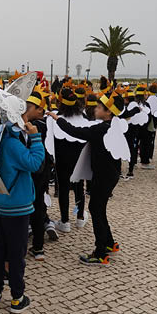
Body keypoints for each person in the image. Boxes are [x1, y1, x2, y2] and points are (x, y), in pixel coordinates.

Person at [0, 90, 44, 313]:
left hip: (1, 202)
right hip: (17, 206)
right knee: (17, 254)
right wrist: (36, 137)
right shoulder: (11, 143)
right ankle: (17, 298)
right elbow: (34, 163)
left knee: (0, 250)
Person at [54, 91, 125, 266]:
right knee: (99, 208)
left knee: (96, 208)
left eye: (100, 107)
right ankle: (109, 243)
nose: (96, 109)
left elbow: (76, 131)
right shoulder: (111, 125)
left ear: (108, 112)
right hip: (110, 175)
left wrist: (58, 119)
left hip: (104, 176)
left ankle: (100, 253)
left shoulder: (101, 129)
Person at [47, 88, 88, 233]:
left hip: (62, 159)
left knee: (63, 188)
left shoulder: (54, 117)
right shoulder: (83, 117)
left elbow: (49, 141)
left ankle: (65, 221)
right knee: (79, 187)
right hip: (80, 158)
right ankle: (80, 217)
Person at [25, 89, 52, 261]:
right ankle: (38, 246)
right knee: (38, 205)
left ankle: (37, 246)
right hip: (42, 170)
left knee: (33, 206)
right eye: (38, 108)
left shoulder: (38, 126)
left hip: (36, 171)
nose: (42, 111)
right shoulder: (42, 125)